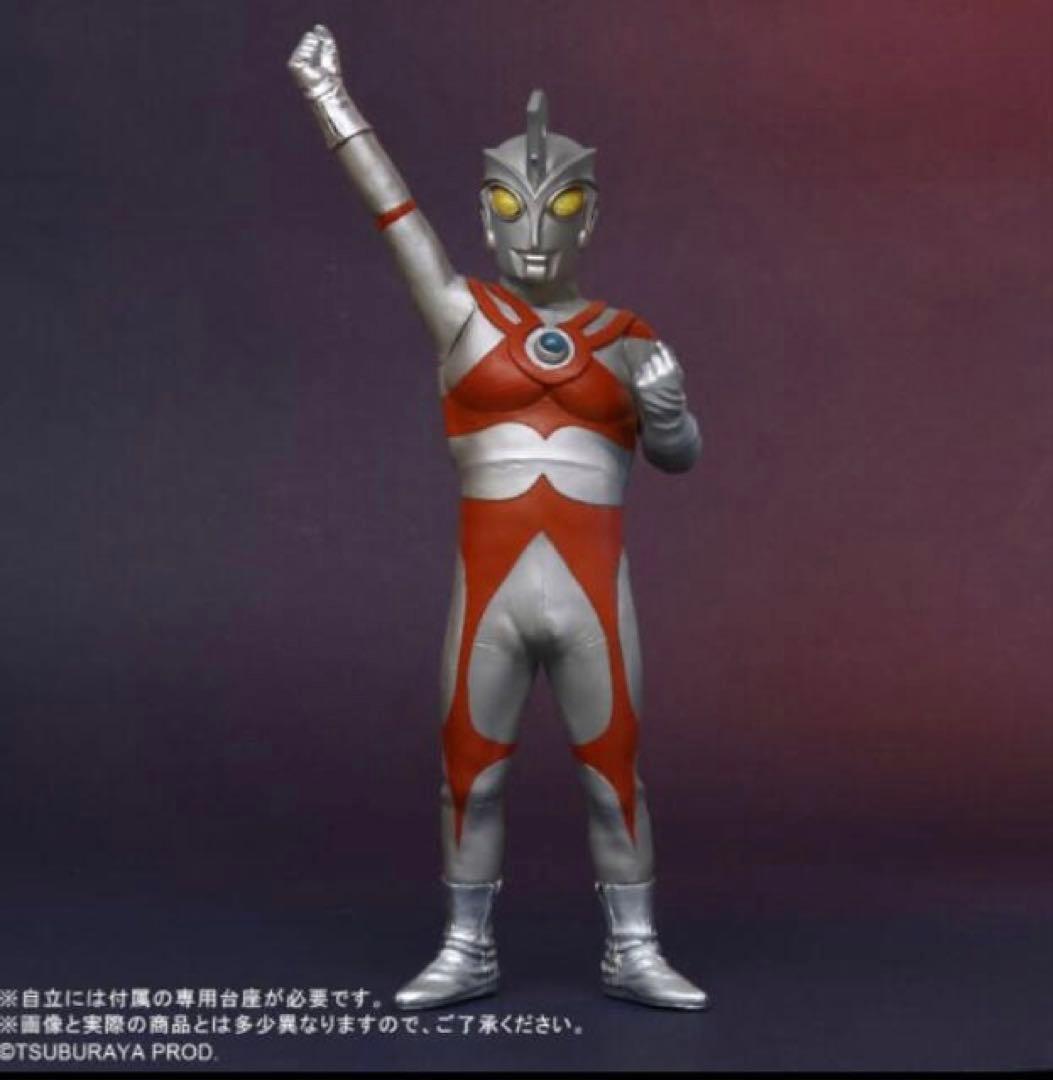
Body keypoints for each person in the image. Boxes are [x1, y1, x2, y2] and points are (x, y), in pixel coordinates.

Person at [288, 24, 707, 1011]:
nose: (534, 233)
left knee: (614, 774)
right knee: (468, 775)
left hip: (592, 596)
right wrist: (328, 98)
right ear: (485, 215)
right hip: (494, 598)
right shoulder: (462, 315)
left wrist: (667, 412)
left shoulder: (625, 337)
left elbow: (680, 456)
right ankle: (465, 948)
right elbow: (393, 214)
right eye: (511, 208)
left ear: (587, 217)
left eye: (556, 209)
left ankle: (633, 948)